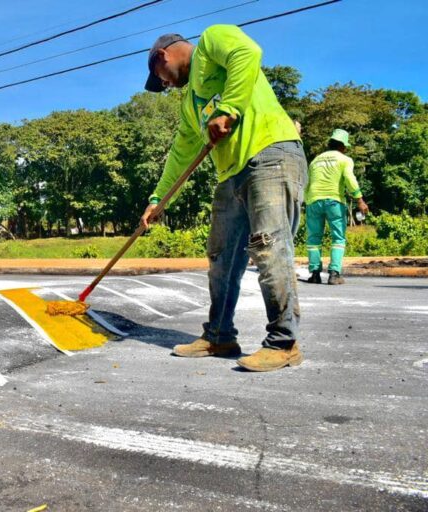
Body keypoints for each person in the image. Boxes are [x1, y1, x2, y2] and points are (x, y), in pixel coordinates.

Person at [141, 25, 308, 372]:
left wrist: (229, 108)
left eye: (162, 78)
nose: (166, 86)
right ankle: (219, 335)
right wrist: (159, 199)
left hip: (270, 154)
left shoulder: (213, 40)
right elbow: (182, 152)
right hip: (231, 174)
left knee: (269, 247)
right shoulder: (190, 104)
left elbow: (248, 54)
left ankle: (283, 342)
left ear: (163, 56)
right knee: (221, 258)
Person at [304, 129, 369, 285]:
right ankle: (334, 274)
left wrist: (307, 201)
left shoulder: (315, 161)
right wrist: (359, 200)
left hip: (313, 201)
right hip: (334, 201)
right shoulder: (344, 159)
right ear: (342, 146)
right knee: (338, 238)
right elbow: (349, 179)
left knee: (313, 239)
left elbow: (307, 183)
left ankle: (315, 274)